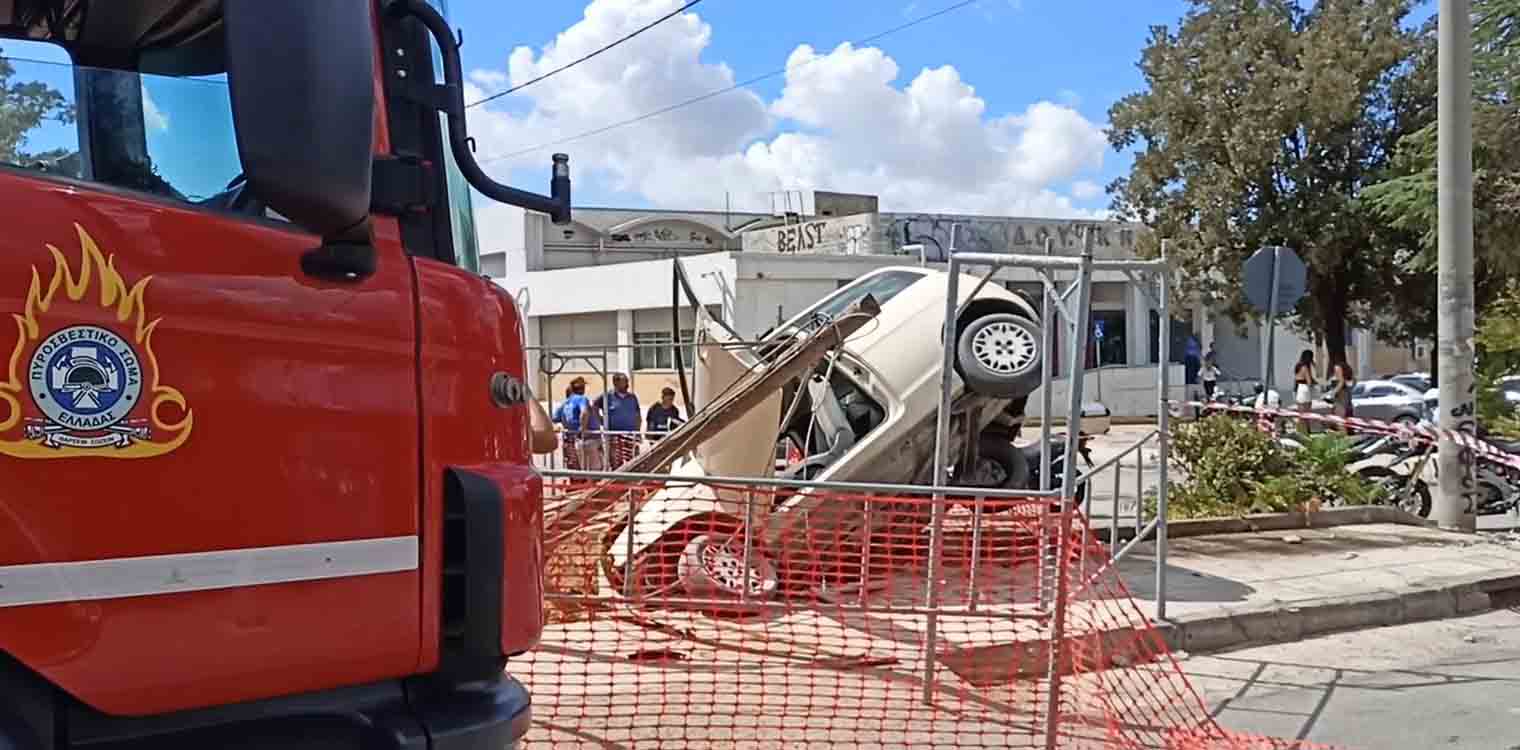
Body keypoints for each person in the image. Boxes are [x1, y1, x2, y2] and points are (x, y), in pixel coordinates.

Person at [596, 372, 641, 467]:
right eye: (625, 381)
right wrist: (601, 421)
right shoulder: (607, 396)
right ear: (616, 383)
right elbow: (593, 407)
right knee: (616, 464)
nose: (627, 383)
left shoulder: (632, 397)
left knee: (633, 463)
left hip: (631, 435)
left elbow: (637, 415)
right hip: (615, 436)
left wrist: (638, 432)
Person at [562, 377, 603, 471]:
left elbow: (558, 418)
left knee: (583, 468)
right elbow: (584, 413)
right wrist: (582, 429)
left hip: (580, 438)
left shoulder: (567, 402)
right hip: (589, 438)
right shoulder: (582, 399)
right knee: (595, 469)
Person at [1293, 350, 1318, 434]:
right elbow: (1309, 381)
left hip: (1299, 388)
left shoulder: (1298, 366)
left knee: (1302, 413)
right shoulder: (1305, 367)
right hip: (1304, 389)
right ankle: (1305, 431)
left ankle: (1303, 431)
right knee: (1306, 414)